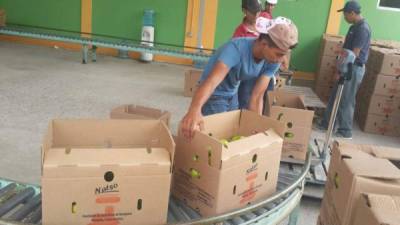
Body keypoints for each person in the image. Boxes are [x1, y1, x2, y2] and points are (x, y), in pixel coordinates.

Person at [181, 18, 298, 139]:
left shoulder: (273, 60)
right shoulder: (235, 49)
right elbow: (211, 82)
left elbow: (257, 96)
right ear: (264, 44)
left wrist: (256, 124)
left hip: (233, 92)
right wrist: (194, 109)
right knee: (216, 137)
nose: (280, 60)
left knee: (233, 133)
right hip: (215, 94)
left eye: (284, 54)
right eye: (279, 54)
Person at [318, 0, 371, 139]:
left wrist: (341, 71)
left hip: (352, 68)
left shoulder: (362, 28)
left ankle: (345, 130)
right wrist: (338, 68)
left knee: (346, 99)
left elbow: (354, 54)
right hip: (346, 66)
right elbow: (345, 51)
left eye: (346, 14)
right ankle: (327, 124)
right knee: (335, 96)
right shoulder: (353, 27)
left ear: (352, 13)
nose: (344, 17)